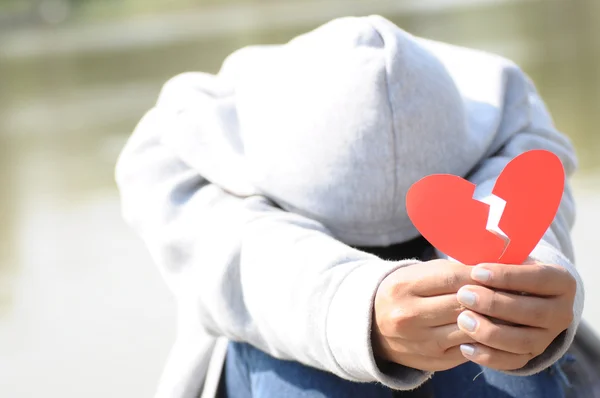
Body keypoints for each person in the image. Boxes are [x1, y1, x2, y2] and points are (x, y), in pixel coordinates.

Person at [115, 15, 584, 398]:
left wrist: (530, 281)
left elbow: (527, 181)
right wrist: (350, 307)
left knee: (508, 363)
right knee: (294, 379)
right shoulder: (207, 126)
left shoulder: (500, 101)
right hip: (277, 342)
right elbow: (216, 236)